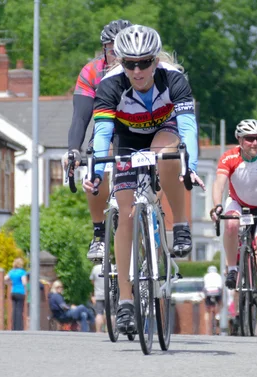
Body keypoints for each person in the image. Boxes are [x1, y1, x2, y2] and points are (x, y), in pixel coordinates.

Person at [83, 25, 205, 333]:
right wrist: (96, 173)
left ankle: (179, 224)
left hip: (164, 129)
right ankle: (125, 301)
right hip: (127, 139)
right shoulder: (110, 85)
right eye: (129, 63)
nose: (137, 70)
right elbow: (102, 135)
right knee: (125, 214)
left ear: (156, 60)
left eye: (145, 62)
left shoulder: (173, 77)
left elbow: (188, 127)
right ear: (120, 62)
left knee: (167, 156)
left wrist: (190, 165)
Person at [64, 19, 133, 261]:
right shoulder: (92, 72)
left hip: (140, 128)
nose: (118, 55)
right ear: (104, 49)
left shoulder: (139, 68)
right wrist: (73, 150)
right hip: (106, 128)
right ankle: (99, 234)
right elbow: (80, 117)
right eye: (112, 49)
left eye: (123, 48)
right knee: (95, 167)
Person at [209, 119, 257, 316]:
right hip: (238, 203)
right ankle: (232, 268)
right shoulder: (228, 157)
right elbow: (219, 184)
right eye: (249, 139)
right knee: (231, 224)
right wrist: (217, 206)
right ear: (239, 139)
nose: (255, 143)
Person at [4, 258, 28, 330]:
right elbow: (24, 282)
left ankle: (13, 327)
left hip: (13, 292)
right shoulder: (22, 272)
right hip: (20, 292)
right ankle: (19, 327)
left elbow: (5, 278)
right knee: (19, 310)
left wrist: (10, 283)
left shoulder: (11, 272)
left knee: (14, 309)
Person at [203, 265, 223, 334]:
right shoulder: (218, 276)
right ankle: (218, 315)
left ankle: (207, 328)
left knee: (207, 310)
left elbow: (204, 286)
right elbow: (221, 286)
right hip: (217, 291)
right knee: (220, 303)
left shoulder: (206, 276)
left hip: (208, 292)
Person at [90, 263, 105, 332]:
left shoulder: (95, 268)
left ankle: (99, 331)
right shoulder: (112, 267)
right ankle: (110, 331)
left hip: (99, 294)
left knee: (99, 313)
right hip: (110, 294)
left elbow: (92, 281)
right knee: (111, 313)